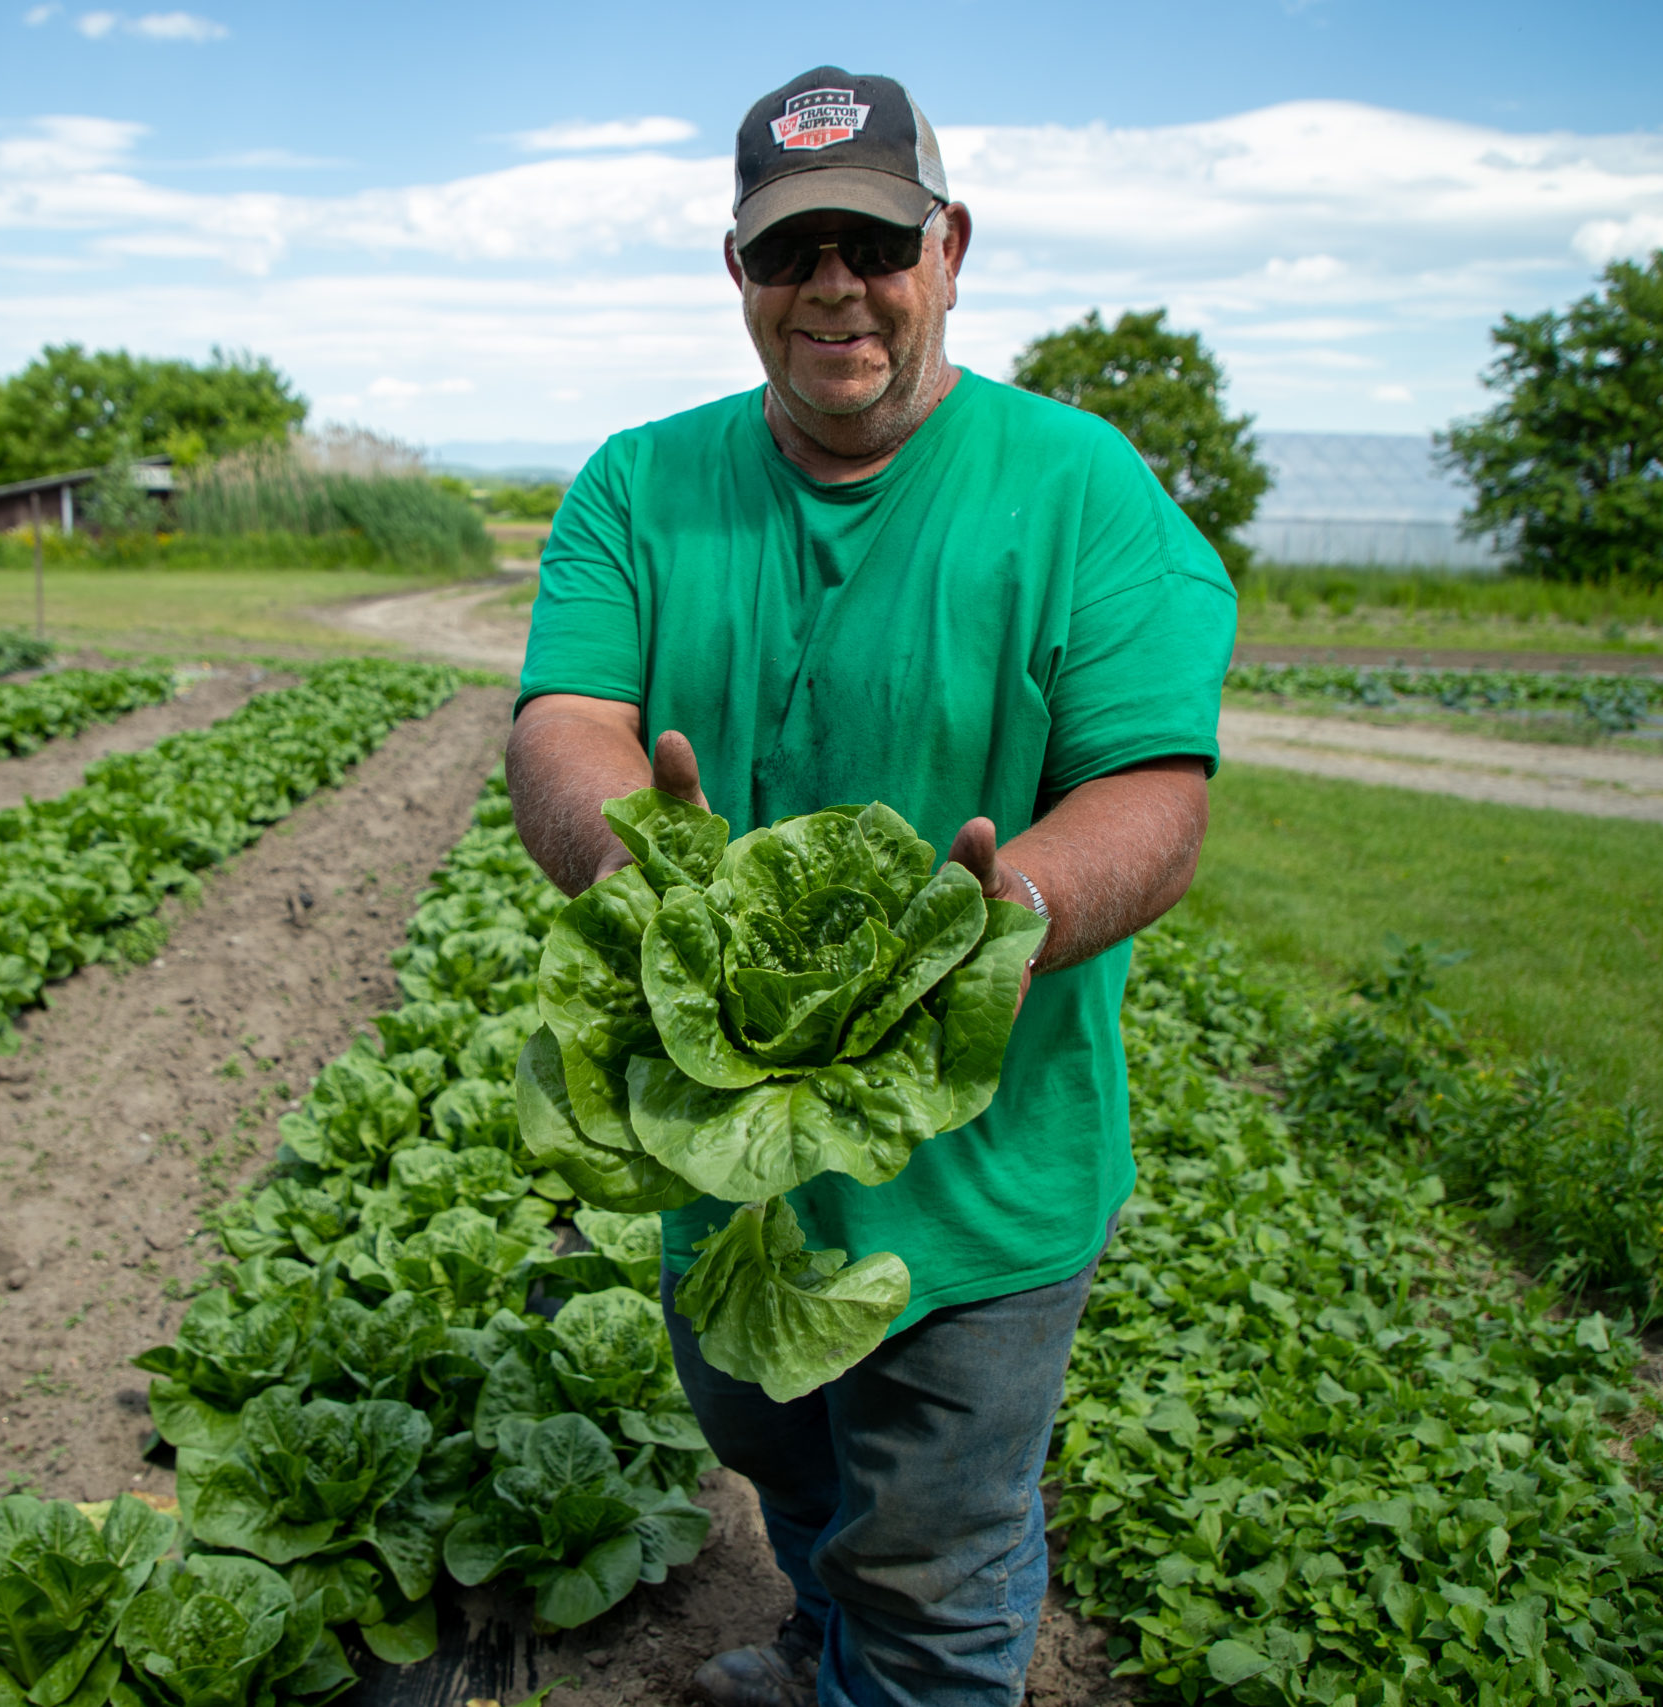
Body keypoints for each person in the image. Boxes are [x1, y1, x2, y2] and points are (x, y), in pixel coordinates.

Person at [503, 65, 1238, 1707]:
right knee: (789, 1463)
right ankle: (828, 1647)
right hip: (729, 1160)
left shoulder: (1079, 490)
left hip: (982, 1187)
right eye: (791, 250)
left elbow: (1154, 796)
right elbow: (565, 722)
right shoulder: (642, 482)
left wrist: (988, 927)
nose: (836, 282)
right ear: (741, 273)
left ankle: (888, 1665)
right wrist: (647, 865)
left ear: (951, 247)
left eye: (875, 241)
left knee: (938, 1555)